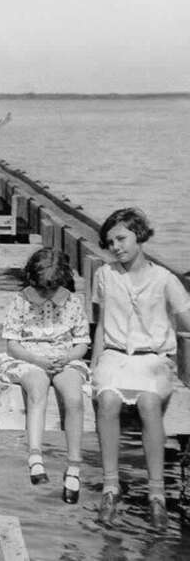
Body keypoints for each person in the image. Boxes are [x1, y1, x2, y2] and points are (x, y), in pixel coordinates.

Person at [91, 207, 190, 530]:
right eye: (110, 242)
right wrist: (93, 365)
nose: (116, 246)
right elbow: (102, 323)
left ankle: (156, 494)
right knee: (107, 400)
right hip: (116, 357)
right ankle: (110, 487)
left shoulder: (164, 279)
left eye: (122, 238)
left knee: (149, 403)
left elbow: (186, 319)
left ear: (139, 236)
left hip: (153, 360)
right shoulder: (105, 275)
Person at [0, 247, 89, 503]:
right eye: (41, 288)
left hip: (63, 358)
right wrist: (36, 359)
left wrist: (68, 358)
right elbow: (12, 344)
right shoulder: (21, 300)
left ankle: (73, 467)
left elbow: (82, 343)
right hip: (29, 358)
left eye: (51, 288)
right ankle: (35, 456)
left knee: (74, 398)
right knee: (37, 388)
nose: (46, 294)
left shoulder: (72, 302)